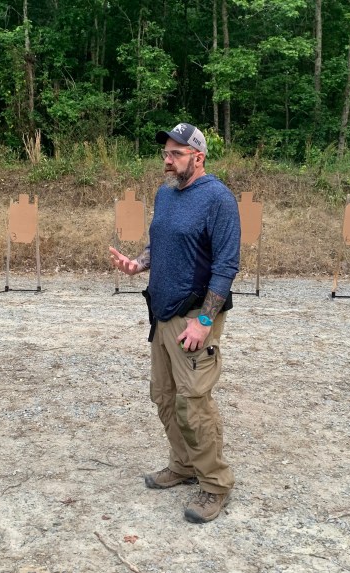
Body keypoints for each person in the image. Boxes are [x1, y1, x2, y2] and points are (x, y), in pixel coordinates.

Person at [109, 122, 240, 523]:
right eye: (165, 153)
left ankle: (215, 484)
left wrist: (204, 321)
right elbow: (159, 242)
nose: (167, 160)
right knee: (164, 396)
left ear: (198, 157)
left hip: (194, 317)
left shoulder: (218, 199)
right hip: (162, 314)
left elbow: (226, 266)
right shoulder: (165, 194)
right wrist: (139, 264)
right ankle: (183, 465)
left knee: (193, 403)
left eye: (176, 154)